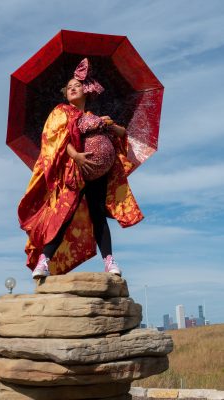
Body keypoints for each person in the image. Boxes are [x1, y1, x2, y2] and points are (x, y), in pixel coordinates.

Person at [18, 58, 144, 279]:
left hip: (100, 174)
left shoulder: (94, 116)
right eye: (69, 87)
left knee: (98, 215)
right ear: (65, 94)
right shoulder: (61, 112)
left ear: (86, 90)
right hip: (74, 171)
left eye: (76, 85)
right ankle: (44, 261)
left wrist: (109, 125)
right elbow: (54, 138)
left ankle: (109, 261)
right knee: (63, 214)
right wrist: (76, 155)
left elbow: (123, 134)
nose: (73, 88)